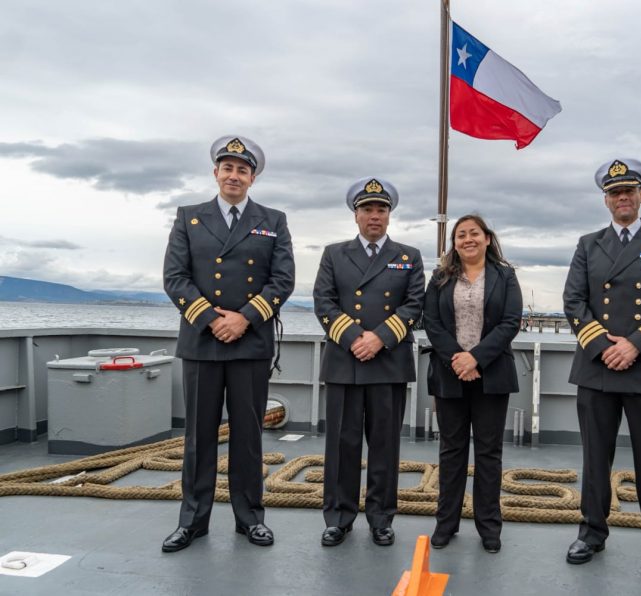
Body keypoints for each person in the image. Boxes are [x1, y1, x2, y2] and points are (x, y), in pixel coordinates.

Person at [161, 135, 295, 552]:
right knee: (199, 436)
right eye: (228, 167)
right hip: (202, 341)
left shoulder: (273, 220)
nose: (234, 175)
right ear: (216, 172)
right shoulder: (190, 217)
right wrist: (209, 318)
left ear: (252, 177)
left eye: (242, 169)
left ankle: (250, 518)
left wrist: (245, 318)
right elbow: (175, 277)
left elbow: (282, 280)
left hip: (249, 342)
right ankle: (193, 521)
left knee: (248, 436)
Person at [562, 158, 641, 579]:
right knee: (595, 457)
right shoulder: (588, 244)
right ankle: (591, 532)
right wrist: (603, 346)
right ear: (606, 200)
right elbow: (574, 302)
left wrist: (634, 346)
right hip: (598, 367)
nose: (622, 198)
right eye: (615, 193)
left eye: (629, 191)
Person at [312, 177, 425, 547]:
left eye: (381, 209)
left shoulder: (408, 256)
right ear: (355, 215)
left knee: (385, 446)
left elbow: (414, 305)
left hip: (388, 363)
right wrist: (355, 338)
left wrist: (380, 337)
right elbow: (324, 302)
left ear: (389, 215)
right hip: (345, 362)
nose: (374, 216)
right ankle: (339, 517)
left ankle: (381, 518)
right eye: (367, 209)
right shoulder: (333, 253)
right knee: (341, 446)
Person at [423, 214, 522, 554]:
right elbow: (431, 323)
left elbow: (510, 322)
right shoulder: (440, 277)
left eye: (474, 233)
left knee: (488, 453)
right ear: (454, 243)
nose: (468, 239)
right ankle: (446, 523)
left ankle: (489, 527)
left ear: (487, 239)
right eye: (461, 235)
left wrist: (476, 358)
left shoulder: (505, 276)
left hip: (491, 375)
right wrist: (459, 359)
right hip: (450, 374)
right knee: (451, 452)